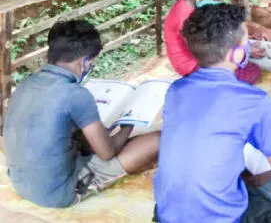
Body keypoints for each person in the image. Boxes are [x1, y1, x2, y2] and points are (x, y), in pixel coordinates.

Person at [154, 4, 271, 223]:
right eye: (246, 41)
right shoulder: (253, 101)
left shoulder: (175, 91)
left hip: (166, 216)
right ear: (239, 54)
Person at [4, 20, 160, 208]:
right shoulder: (76, 94)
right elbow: (107, 153)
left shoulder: (25, 84)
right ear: (84, 62)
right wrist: (129, 123)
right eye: (92, 64)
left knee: (85, 135)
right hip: (56, 194)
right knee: (156, 140)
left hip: (21, 183)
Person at [163, 0, 261, 84]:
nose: (216, 3)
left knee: (245, 66)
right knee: (249, 72)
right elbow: (205, 48)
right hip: (192, 65)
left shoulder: (193, 5)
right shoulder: (183, 16)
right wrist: (244, 49)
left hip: (202, 56)